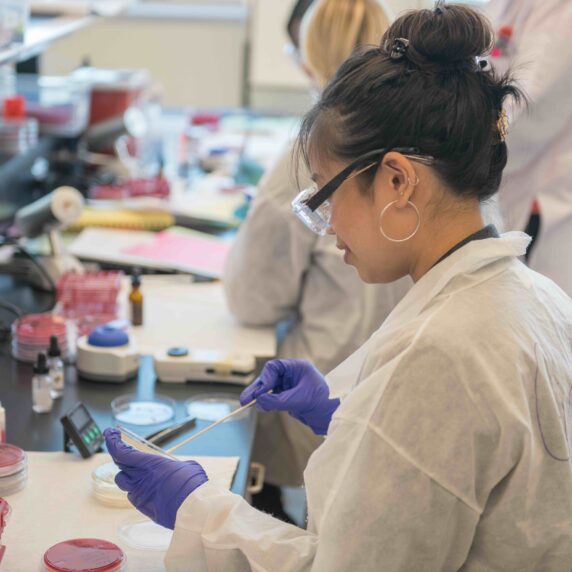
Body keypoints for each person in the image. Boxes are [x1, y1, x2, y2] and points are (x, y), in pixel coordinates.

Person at [105, 3, 572, 569]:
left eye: (325, 194)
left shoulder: (444, 353)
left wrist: (198, 508)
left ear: (397, 180)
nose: (327, 231)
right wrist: (345, 416)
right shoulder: (537, 296)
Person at [223, 0, 408, 516]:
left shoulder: (305, 158)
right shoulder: (427, 140)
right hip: (398, 398)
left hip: (332, 393)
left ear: (309, 60)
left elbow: (252, 298)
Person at [482, 0, 572, 295]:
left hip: (544, 200)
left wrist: (469, 150)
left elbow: (528, 109)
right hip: (506, 190)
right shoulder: (502, 6)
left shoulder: (560, 10)